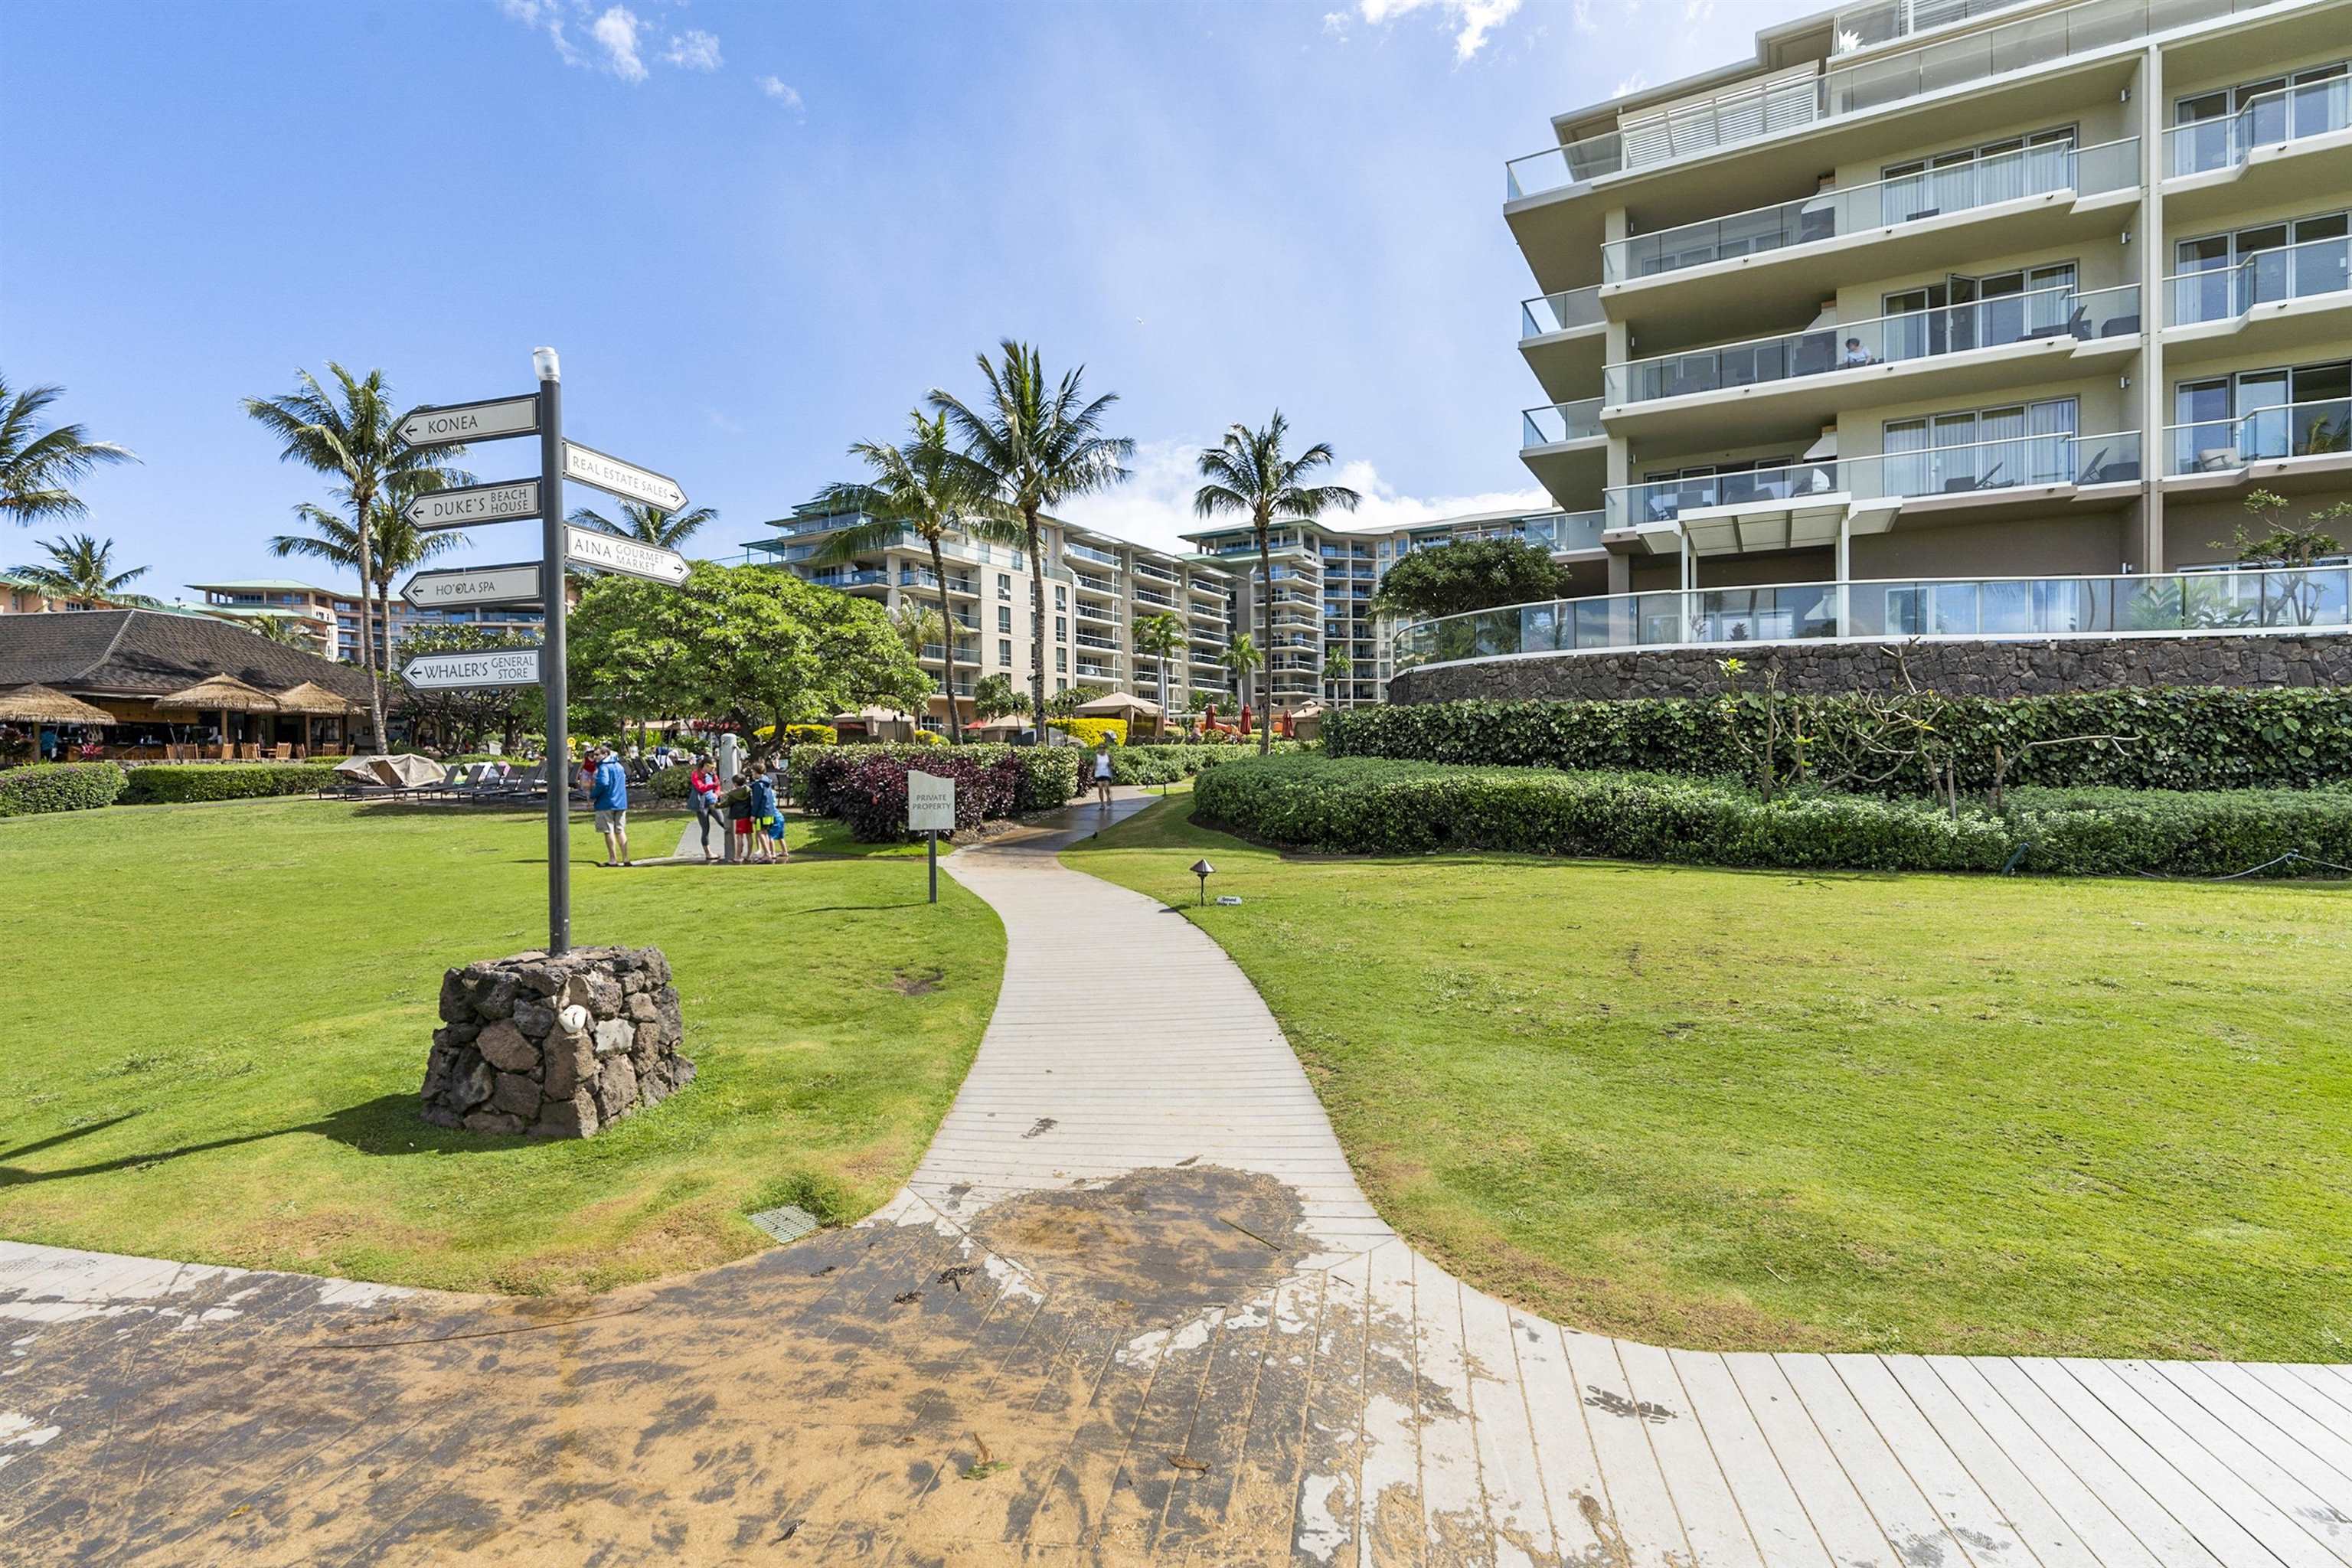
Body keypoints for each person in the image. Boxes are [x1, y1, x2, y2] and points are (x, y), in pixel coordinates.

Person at [590, 746, 632, 867]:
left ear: (605, 754)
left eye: (597, 755)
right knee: (620, 830)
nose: (595, 757)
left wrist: (593, 795)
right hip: (621, 803)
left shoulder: (604, 767)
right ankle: (626, 858)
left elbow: (603, 783)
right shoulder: (619, 766)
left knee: (608, 831)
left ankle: (613, 859)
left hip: (606, 803)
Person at [688, 753, 723, 863]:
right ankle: (708, 853)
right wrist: (714, 785)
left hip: (712, 802)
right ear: (706, 766)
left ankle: (733, 847)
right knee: (705, 829)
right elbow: (701, 788)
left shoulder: (712, 774)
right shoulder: (696, 774)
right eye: (712, 767)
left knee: (723, 822)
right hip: (701, 805)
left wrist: (716, 794)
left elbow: (717, 786)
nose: (714, 769)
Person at [747, 759, 781, 864]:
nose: (752, 774)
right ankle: (769, 853)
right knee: (766, 832)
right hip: (770, 812)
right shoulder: (767, 782)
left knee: (760, 832)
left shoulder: (758, 785)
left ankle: (767, 854)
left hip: (761, 813)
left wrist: (753, 814)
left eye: (753, 772)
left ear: (756, 772)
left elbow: (757, 801)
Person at [1093, 739, 1115, 807]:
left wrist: (1110, 764)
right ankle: (1102, 803)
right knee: (1100, 788)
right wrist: (1093, 769)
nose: (1101, 750)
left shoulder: (1108, 755)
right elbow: (1094, 764)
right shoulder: (1096, 756)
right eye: (1100, 748)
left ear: (1105, 749)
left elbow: (1113, 762)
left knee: (1106, 788)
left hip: (1107, 774)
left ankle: (1108, 797)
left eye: (1103, 748)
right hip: (1098, 774)